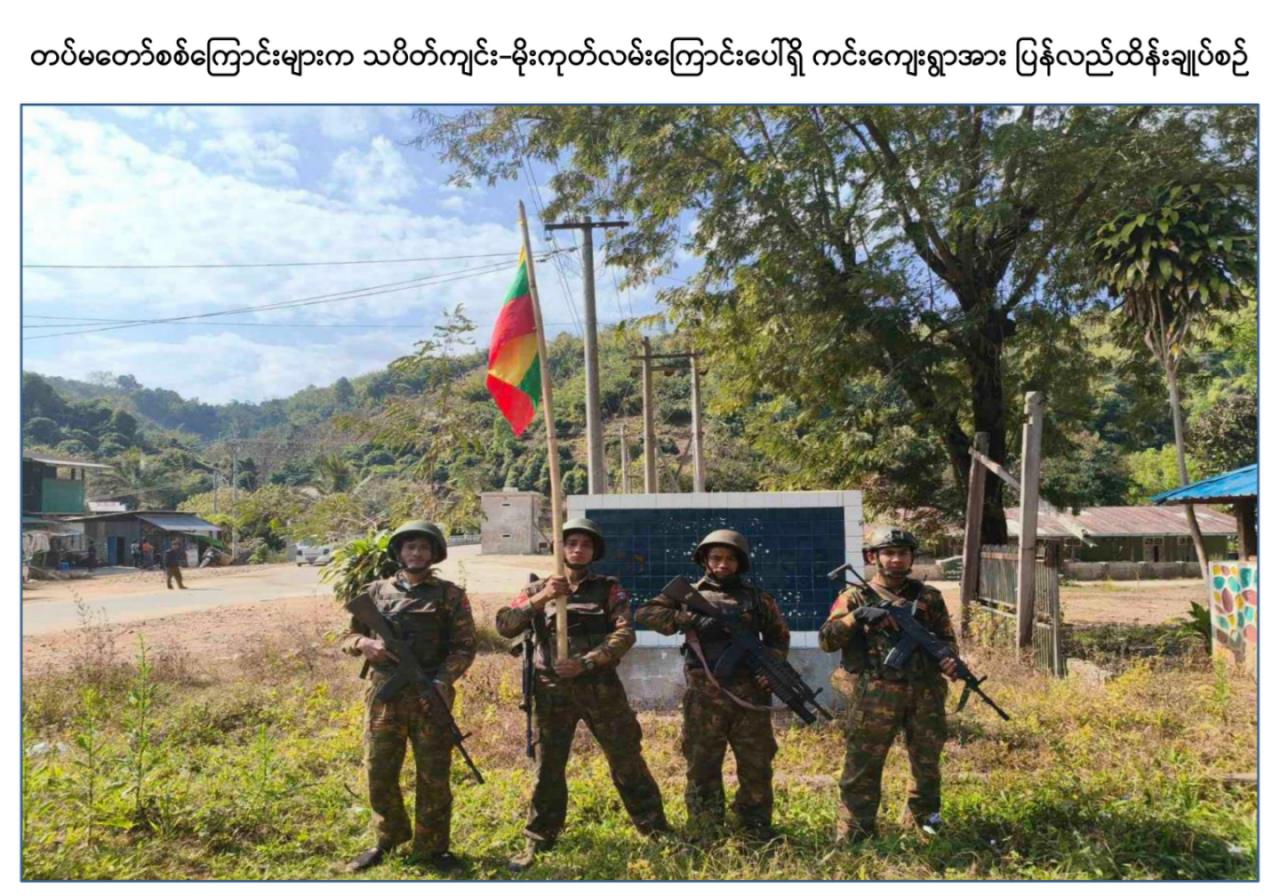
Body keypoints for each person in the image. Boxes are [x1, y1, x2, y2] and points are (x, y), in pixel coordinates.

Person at [496, 518, 669, 872]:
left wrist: (587, 662)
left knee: (626, 758)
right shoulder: (537, 589)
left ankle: (655, 830)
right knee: (548, 766)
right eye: (571, 543)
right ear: (559, 548)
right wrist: (544, 597)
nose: (577, 549)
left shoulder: (608, 589)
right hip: (550, 691)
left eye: (585, 544)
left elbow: (625, 634)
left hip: (600, 688)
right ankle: (539, 837)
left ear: (594, 552)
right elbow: (505, 625)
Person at [635, 529, 790, 840]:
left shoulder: (759, 599)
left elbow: (779, 638)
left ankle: (755, 826)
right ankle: (706, 828)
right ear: (704, 560)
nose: (722, 564)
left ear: (740, 563)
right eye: (716, 558)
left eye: (730, 559)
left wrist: (770, 669)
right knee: (702, 764)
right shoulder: (689, 595)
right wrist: (687, 619)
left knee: (757, 764)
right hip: (705, 696)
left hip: (751, 696)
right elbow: (645, 613)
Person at [340, 521, 477, 873]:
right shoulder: (374, 592)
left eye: (424, 548)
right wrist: (364, 643)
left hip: (430, 694)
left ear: (434, 554)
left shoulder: (450, 595)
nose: (416, 553)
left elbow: (464, 647)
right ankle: (387, 839)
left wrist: (443, 681)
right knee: (379, 769)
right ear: (399, 552)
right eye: (410, 547)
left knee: (434, 773)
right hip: (385, 696)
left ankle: (434, 849)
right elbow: (346, 636)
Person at [818, 526, 960, 843]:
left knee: (927, 766)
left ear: (912, 557)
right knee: (862, 766)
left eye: (903, 553)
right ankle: (856, 834)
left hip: (926, 692)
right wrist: (856, 617)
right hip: (875, 693)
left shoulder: (929, 598)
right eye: (889, 553)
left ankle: (927, 827)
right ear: (874, 557)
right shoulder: (854, 597)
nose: (896, 560)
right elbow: (827, 640)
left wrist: (949, 659)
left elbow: (947, 640)